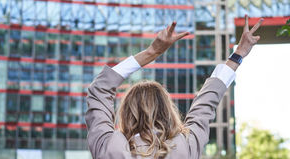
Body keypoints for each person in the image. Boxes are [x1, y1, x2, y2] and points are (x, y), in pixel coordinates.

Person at [85, 15, 263, 159]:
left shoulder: (109, 147)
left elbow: (100, 88)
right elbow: (205, 103)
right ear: (167, 110)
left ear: (127, 112)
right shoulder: (185, 147)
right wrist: (238, 55)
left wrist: (151, 52)